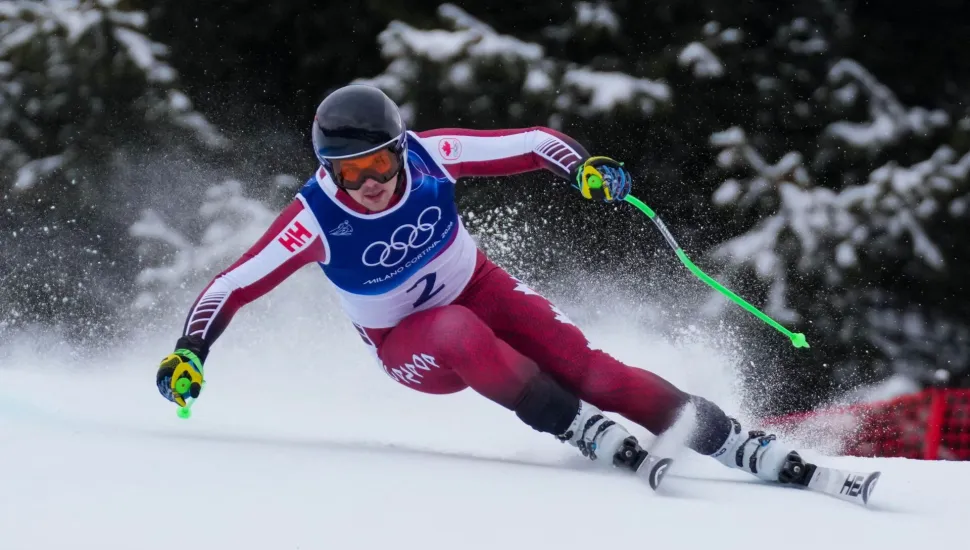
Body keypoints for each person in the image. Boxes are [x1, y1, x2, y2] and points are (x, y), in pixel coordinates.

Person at [155, 84, 806, 485]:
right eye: (351, 173)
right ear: (330, 173)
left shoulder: (430, 155)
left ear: (399, 146)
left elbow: (528, 143)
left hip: (480, 284)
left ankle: (729, 438)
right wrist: (191, 349)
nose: (372, 182)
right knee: (456, 329)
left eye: (380, 161)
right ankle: (574, 425)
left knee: (594, 371)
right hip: (410, 345)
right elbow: (231, 285)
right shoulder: (316, 218)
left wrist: (582, 167)